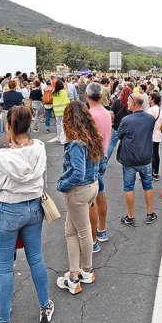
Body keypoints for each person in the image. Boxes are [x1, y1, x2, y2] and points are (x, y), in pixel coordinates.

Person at [0, 106, 53, 323]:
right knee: (36, 259)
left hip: (9, 210)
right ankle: (45, 305)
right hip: (34, 208)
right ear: (29, 125)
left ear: (8, 126)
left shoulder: (0, 158)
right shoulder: (39, 148)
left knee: (5, 267)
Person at [56, 101, 103, 295]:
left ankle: (79, 275)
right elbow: (102, 163)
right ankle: (80, 272)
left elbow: (76, 173)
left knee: (81, 232)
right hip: (92, 186)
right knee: (71, 231)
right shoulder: (93, 137)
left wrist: (61, 185)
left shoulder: (76, 143)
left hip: (78, 190)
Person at [116, 93, 157, 226]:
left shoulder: (126, 120)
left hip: (129, 159)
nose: (127, 103)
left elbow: (120, 135)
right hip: (145, 158)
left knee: (129, 187)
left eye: (128, 101)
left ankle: (130, 216)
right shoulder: (150, 119)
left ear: (134, 103)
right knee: (148, 185)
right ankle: (150, 214)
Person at [85, 83, 112, 251]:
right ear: (101, 97)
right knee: (100, 192)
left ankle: (93, 239)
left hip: (91, 158)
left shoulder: (89, 115)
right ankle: (101, 230)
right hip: (103, 155)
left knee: (90, 199)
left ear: (86, 96)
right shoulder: (107, 113)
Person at [107, 86, 132, 159]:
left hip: (117, 126)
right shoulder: (131, 103)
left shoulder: (117, 101)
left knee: (112, 144)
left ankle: (105, 161)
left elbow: (111, 112)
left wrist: (111, 121)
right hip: (127, 127)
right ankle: (125, 162)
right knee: (126, 145)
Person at [1, 80, 24, 147]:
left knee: (7, 130)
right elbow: (21, 104)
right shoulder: (19, 94)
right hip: (16, 111)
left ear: (8, 85)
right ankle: (15, 144)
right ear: (15, 86)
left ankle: (7, 146)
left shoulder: (5, 94)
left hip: (6, 111)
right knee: (16, 128)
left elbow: (2, 103)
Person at [147, 92, 162, 181]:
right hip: (158, 133)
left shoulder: (151, 110)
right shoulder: (159, 109)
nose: (148, 99)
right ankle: (156, 173)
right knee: (156, 153)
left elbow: (148, 123)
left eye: (149, 98)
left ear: (153, 100)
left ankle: (151, 174)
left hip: (152, 133)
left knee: (152, 154)